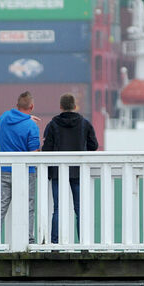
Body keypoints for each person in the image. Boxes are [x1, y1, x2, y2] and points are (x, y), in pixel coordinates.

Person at [42, 93, 99, 244]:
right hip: (78, 171)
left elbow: (46, 149)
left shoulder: (53, 124)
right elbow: (94, 145)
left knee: (58, 209)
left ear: (60, 106)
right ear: (74, 106)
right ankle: (82, 242)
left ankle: (55, 243)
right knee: (79, 209)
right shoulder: (84, 123)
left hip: (57, 172)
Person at [0, 91, 41, 245]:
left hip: (5, 170)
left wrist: (26, 117)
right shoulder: (31, 126)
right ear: (32, 106)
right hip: (25, 172)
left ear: (17, 105)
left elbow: (3, 118)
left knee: (1, 205)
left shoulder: (5, 118)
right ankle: (29, 238)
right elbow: (34, 152)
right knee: (28, 205)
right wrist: (28, 119)